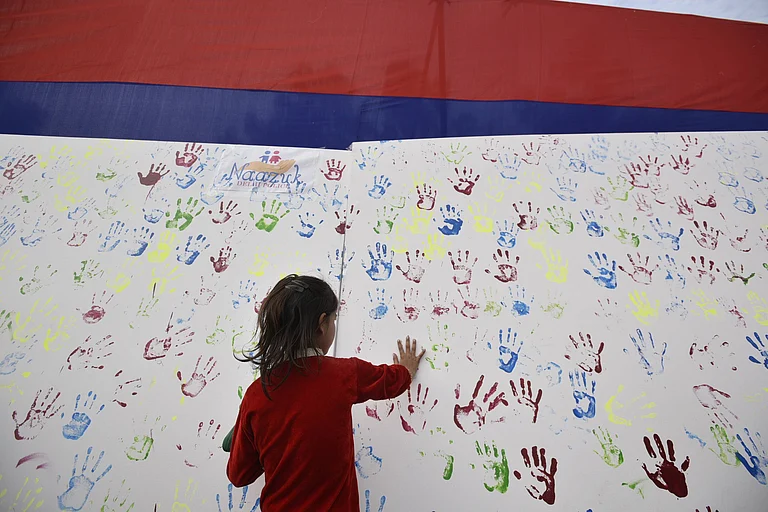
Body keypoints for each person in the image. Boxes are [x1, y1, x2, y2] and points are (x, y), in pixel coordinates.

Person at [224, 274, 425, 511]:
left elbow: (239, 475)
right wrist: (406, 370)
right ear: (322, 324)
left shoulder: (256, 396)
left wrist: (256, 438)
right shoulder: (344, 375)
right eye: (334, 320)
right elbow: (389, 381)